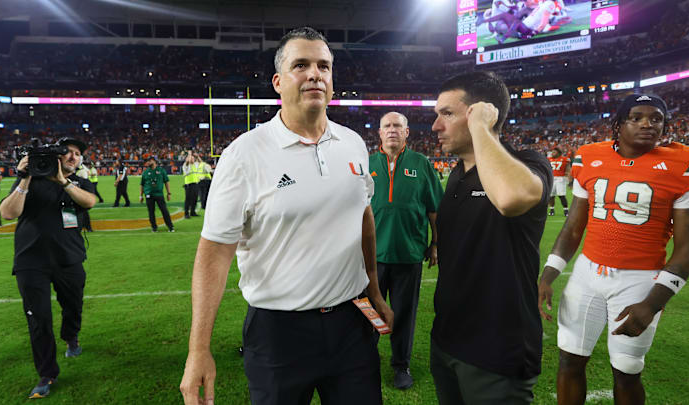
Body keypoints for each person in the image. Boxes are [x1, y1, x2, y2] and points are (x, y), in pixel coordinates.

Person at [180, 26, 393, 405]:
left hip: (351, 324)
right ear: (278, 82)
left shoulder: (353, 144)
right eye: (301, 65)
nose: (315, 74)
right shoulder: (244, 154)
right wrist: (199, 348)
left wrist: (374, 288)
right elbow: (214, 253)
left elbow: (363, 217)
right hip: (278, 332)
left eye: (324, 66)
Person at [538, 94, 689, 405]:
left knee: (627, 370)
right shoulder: (589, 156)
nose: (648, 123)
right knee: (570, 360)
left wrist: (652, 303)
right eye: (637, 117)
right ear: (619, 124)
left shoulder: (686, 164)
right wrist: (548, 274)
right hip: (587, 273)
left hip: (640, 279)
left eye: (656, 118)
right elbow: (573, 228)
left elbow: (687, 251)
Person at [430, 71, 553, 404]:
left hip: (497, 350)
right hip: (447, 341)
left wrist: (482, 129)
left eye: (447, 114)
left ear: (482, 112)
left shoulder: (528, 163)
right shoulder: (457, 174)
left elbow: (511, 198)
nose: (435, 126)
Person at [0, 137, 97, 399]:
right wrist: (25, 178)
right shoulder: (30, 180)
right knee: (39, 319)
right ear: (57, 156)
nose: (74, 157)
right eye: (69, 152)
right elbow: (8, 213)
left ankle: (71, 336)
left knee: (73, 305)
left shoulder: (79, 182)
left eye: (78, 153)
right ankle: (47, 373)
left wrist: (63, 182)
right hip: (31, 261)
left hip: (69, 258)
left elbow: (89, 202)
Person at [369, 111, 443, 390]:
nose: (391, 130)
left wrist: (435, 243)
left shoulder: (421, 164)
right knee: (371, 314)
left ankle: (401, 365)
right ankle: (367, 361)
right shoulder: (366, 163)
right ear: (379, 132)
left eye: (397, 126)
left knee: (403, 314)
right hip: (372, 257)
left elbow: (435, 210)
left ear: (407, 132)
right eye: (386, 126)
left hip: (409, 254)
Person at [139, 156, 174, 233]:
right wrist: (141, 195)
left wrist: (169, 193)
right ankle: (154, 227)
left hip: (159, 194)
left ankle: (170, 226)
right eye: (147, 161)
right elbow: (142, 184)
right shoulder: (145, 172)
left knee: (164, 211)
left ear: (154, 161)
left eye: (149, 161)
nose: (148, 163)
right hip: (149, 195)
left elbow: (166, 181)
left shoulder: (161, 171)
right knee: (151, 212)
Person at [547, 146, 571, 216]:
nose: (552, 153)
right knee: (551, 196)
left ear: (558, 153)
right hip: (551, 178)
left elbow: (568, 170)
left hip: (561, 179)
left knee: (561, 195)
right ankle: (551, 209)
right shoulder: (549, 159)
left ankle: (566, 210)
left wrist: (570, 180)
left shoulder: (564, 159)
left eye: (554, 152)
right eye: (552, 152)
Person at [76, 159, 94, 232]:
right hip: (77, 192)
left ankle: (86, 227)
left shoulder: (82, 170)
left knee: (82, 212)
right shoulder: (83, 169)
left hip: (79, 192)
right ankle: (87, 227)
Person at [182, 151, 199, 218]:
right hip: (189, 184)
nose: (193, 159)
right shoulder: (185, 165)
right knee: (188, 199)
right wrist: (189, 154)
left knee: (195, 198)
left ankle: (192, 212)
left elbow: (199, 161)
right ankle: (186, 213)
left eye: (193, 158)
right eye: (192, 158)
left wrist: (197, 156)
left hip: (195, 184)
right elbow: (187, 161)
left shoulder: (194, 165)